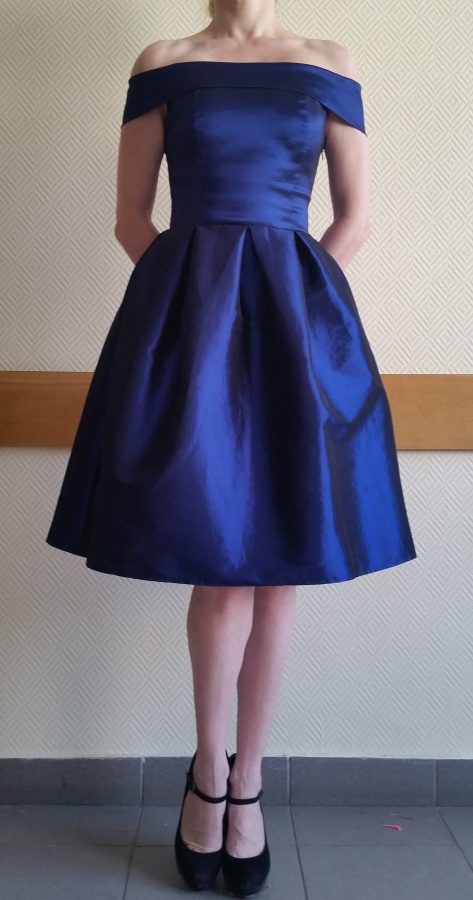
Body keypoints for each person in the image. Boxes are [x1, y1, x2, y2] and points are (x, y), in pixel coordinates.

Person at [46, 0, 417, 894]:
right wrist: (194, 308)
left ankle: (247, 782)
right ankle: (207, 773)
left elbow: (355, 219)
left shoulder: (330, 61)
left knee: (279, 563)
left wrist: (289, 306)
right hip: (192, 332)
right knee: (220, 565)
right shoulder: (162, 60)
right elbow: (131, 219)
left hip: (295, 334)